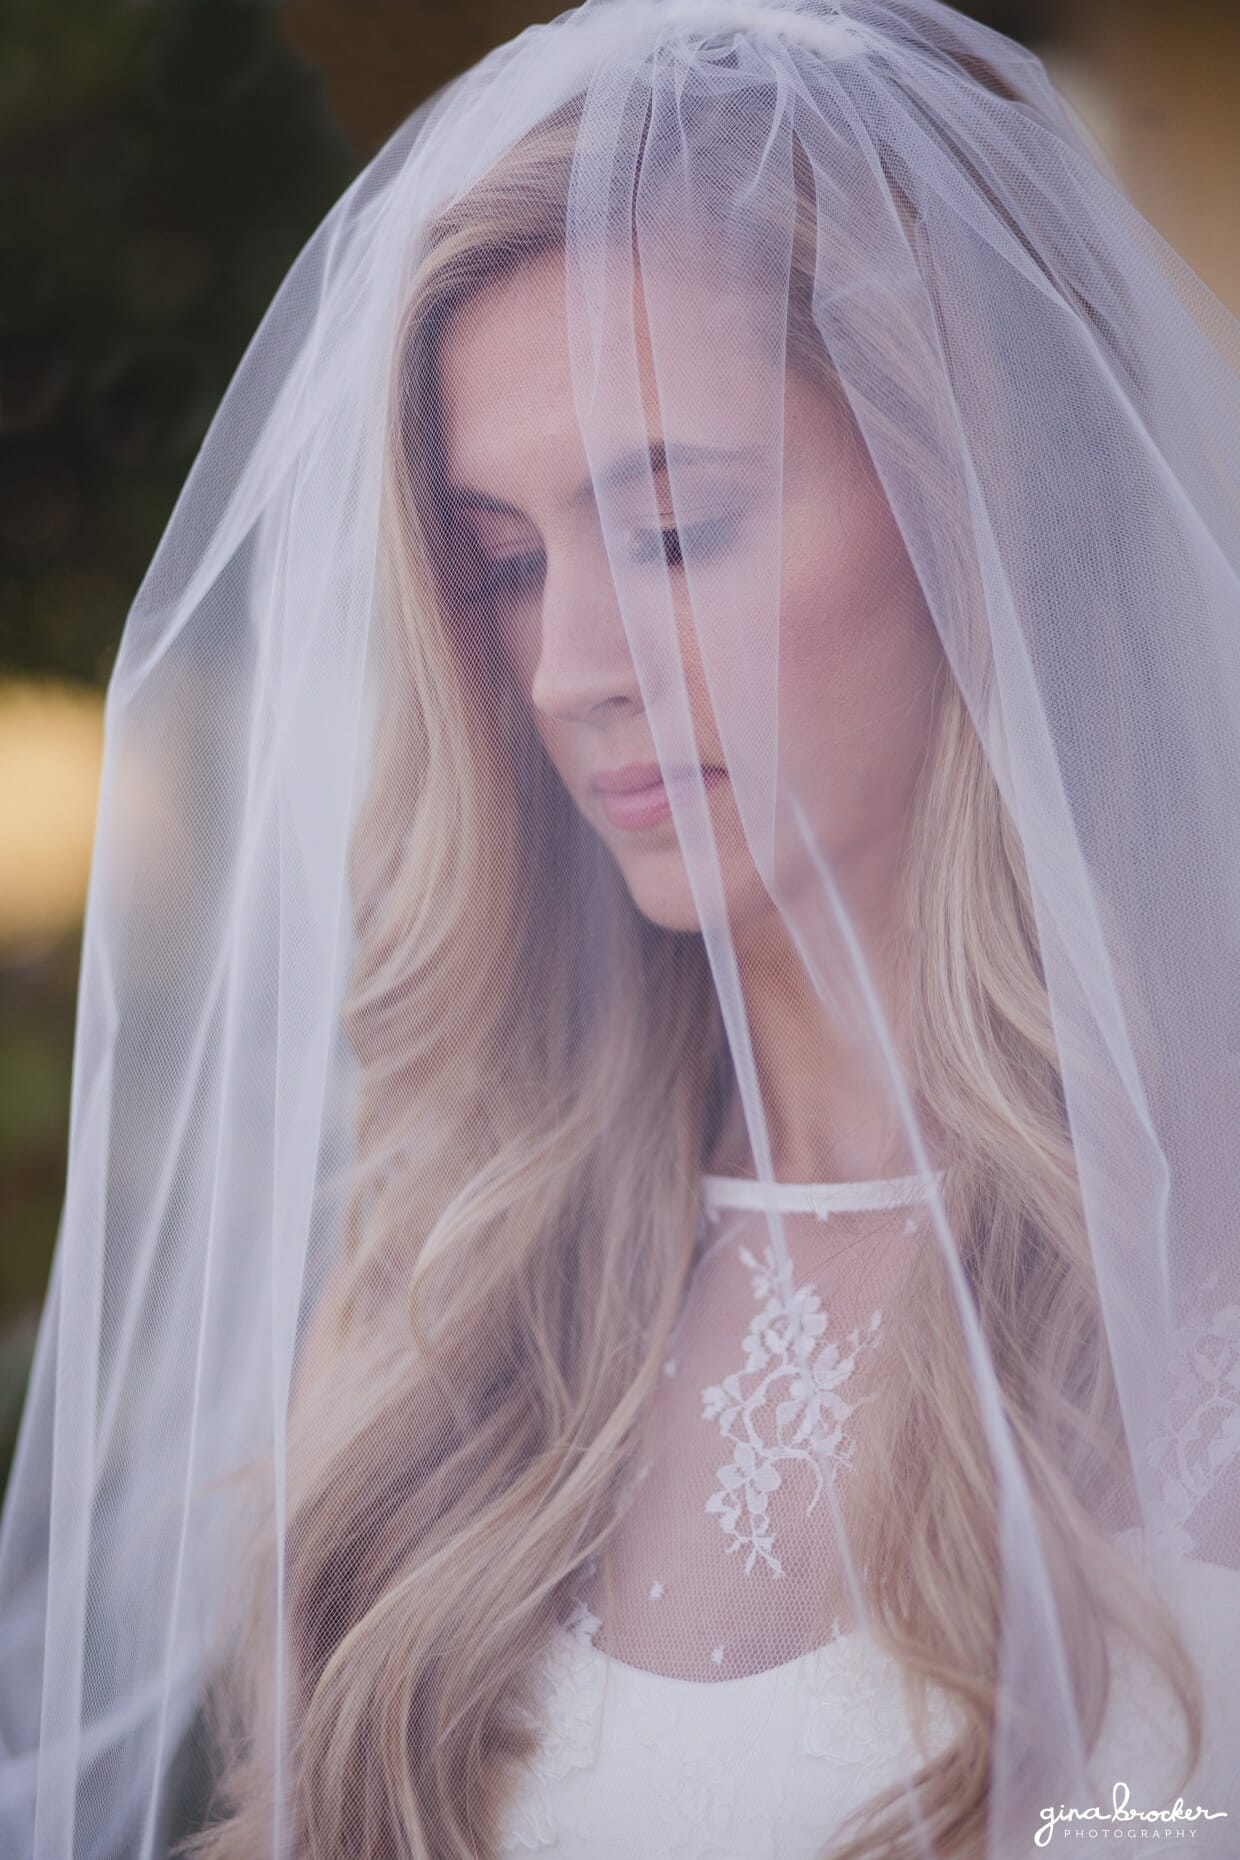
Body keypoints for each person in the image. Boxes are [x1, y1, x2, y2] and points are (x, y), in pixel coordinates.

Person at [2, 1, 1239, 1855]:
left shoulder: (1202, 1252)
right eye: (505, 566)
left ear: (975, 499)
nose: (571, 672)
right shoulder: (458, 1287)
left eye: (675, 528)